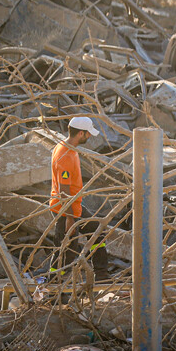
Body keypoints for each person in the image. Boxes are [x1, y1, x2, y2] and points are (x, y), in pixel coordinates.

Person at [49, 116, 108, 279]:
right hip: (65, 209)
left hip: (74, 206)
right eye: (88, 134)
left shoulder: (65, 147)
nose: (89, 137)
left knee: (97, 230)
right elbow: (64, 191)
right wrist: (70, 218)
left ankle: (101, 274)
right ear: (81, 133)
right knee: (66, 248)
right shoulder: (66, 155)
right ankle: (53, 281)